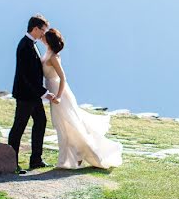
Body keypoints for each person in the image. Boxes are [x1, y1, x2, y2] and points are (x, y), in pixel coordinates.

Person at [42, 28, 123, 169]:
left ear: (49, 41)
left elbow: (63, 78)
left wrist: (59, 96)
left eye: (45, 36)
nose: (42, 37)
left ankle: (72, 159)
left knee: (69, 125)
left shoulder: (54, 57)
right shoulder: (47, 53)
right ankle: (73, 157)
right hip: (52, 91)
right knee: (62, 125)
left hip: (59, 93)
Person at [7, 14, 57, 172]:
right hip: (26, 95)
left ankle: (36, 159)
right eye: (43, 30)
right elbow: (26, 75)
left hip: (32, 95)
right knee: (19, 127)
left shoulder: (30, 44)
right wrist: (44, 93)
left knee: (41, 121)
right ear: (35, 28)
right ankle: (11, 163)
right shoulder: (25, 46)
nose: (44, 34)